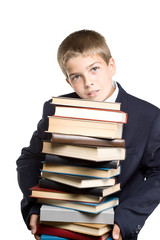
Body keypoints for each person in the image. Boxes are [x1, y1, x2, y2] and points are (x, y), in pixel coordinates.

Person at [16, 29, 160, 240]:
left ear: (111, 66)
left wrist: (127, 218)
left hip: (112, 230)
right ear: (68, 81)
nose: (88, 82)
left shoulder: (148, 116)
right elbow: (30, 158)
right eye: (77, 76)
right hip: (57, 227)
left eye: (94, 69)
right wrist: (35, 206)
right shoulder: (55, 110)